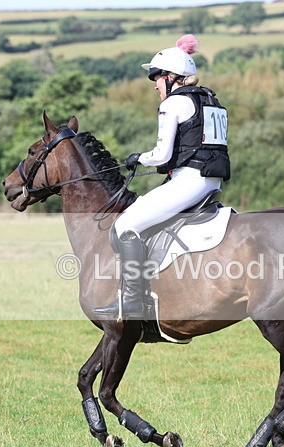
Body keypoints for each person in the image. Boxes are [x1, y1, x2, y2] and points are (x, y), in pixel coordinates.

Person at [95, 34, 231, 320]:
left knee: (125, 226)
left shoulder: (174, 103)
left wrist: (137, 158)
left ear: (172, 77)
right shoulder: (212, 101)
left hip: (190, 181)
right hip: (211, 181)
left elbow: (161, 155)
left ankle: (132, 302)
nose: (155, 85)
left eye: (156, 78)